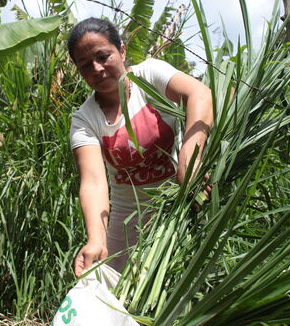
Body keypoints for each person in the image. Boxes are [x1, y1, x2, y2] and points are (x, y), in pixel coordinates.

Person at [68, 17, 213, 277]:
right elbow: (93, 182)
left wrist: (189, 161)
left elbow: (199, 94)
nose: (97, 69)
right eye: (86, 65)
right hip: (128, 220)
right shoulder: (84, 118)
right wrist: (96, 240)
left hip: (183, 202)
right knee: (122, 299)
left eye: (103, 56)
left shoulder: (150, 75)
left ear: (122, 51)